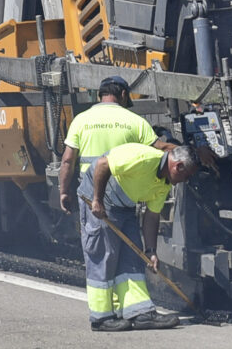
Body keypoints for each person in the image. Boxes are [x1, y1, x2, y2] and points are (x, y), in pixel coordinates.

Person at [56, 78, 169, 332]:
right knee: (129, 254)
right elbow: (161, 151)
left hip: (94, 199)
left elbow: (67, 161)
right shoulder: (134, 121)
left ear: (100, 95)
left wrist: (63, 191)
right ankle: (102, 317)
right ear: (123, 94)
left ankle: (137, 311)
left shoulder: (81, 120)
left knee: (103, 254)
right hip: (124, 195)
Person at [84, 140, 197, 332]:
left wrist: (151, 250)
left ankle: (140, 313)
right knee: (105, 255)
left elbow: (152, 216)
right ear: (178, 166)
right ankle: (101, 318)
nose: (185, 181)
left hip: (125, 207)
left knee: (133, 257)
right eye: (186, 176)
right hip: (101, 199)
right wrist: (97, 200)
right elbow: (103, 164)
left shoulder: (164, 183)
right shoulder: (144, 158)